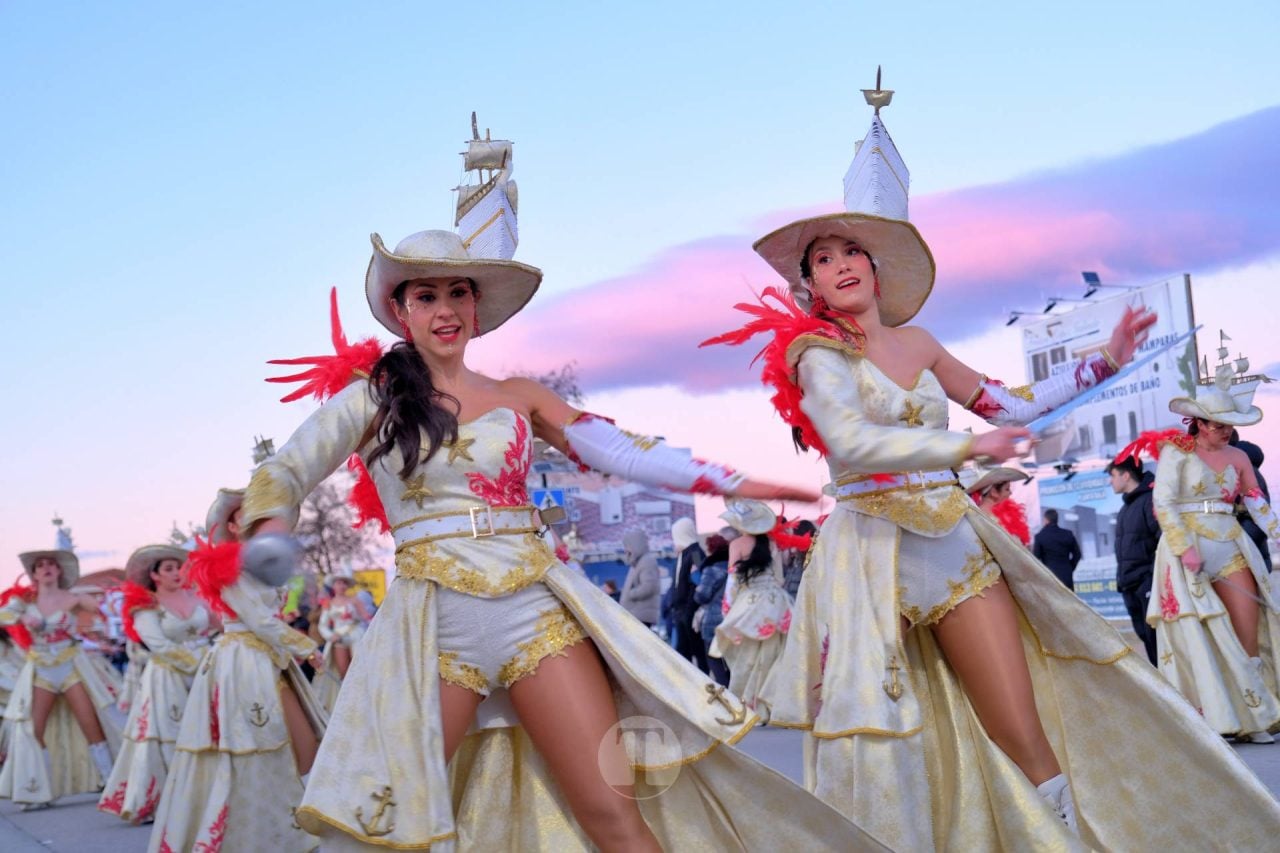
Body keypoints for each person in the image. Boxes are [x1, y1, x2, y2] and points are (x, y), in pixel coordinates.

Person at [704, 89, 1280, 849]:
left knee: (1021, 726)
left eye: (851, 252)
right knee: (874, 744)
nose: (840, 264)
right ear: (809, 283)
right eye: (823, 258)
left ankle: (1063, 839)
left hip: (950, 545)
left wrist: (1104, 361)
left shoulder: (920, 346)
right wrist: (962, 450)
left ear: (877, 268)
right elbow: (851, 443)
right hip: (867, 559)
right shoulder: (815, 354)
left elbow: (1007, 407)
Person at [239, 225, 883, 851]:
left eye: (458, 294)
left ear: (476, 306)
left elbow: (616, 448)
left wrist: (734, 481)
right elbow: (288, 468)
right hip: (432, 626)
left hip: (533, 610)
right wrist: (271, 526)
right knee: (388, 826)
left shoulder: (518, 396)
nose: (445, 310)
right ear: (399, 310)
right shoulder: (372, 399)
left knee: (613, 810)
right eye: (426, 296)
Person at [148, 489, 327, 853]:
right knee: (262, 746)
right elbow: (259, 620)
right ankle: (271, 834)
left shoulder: (262, 565)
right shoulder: (225, 565)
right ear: (231, 524)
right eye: (248, 514)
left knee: (304, 740)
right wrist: (306, 647)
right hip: (244, 662)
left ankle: (298, 825)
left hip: (269, 658)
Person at [1126, 362, 1280, 743]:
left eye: (1228, 424)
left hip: (1229, 543)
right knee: (1198, 634)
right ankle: (1215, 719)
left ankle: (1255, 716)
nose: (1223, 430)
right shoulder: (1175, 453)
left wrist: (1277, 534)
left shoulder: (1240, 458)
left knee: (1248, 629)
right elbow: (1163, 503)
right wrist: (1183, 548)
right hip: (1184, 552)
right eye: (1216, 423)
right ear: (1198, 422)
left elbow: (1257, 503)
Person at [99, 543, 219, 824]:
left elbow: (220, 625)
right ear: (154, 576)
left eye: (178, 567)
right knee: (169, 735)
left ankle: (208, 796)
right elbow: (158, 645)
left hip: (207, 671)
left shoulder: (198, 599)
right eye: (168, 569)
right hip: (168, 677)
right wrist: (195, 663)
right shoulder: (145, 608)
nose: (176, 572)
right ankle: (165, 800)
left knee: (211, 732)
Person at [0, 550, 122, 810]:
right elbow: (3, 615)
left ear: (59, 571)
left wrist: (108, 615)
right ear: (33, 574)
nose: (46, 569)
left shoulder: (73, 598)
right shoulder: (24, 601)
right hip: (41, 668)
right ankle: (40, 787)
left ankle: (110, 780)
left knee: (91, 723)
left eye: (51, 565)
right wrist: (22, 617)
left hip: (71, 665)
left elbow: (108, 611)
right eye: (40, 566)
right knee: (33, 728)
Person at [715, 501, 792, 717]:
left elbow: (733, 581)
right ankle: (770, 707)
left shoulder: (737, 544)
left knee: (746, 659)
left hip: (749, 605)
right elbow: (779, 578)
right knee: (772, 658)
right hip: (777, 603)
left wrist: (728, 611)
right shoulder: (771, 544)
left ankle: (747, 707)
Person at [1107, 455, 1160, 666]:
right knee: (1146, 640)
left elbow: (1162, 540)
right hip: (1129, 586)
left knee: (1158, 642)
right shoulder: (1125, 508)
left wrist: (1151, 580)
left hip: (1147, 585)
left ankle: (1176, 694)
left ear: (1126, 475)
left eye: (1112, 475)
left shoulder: (1150, 501)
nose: (1110, 481)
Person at [312, 570, 370, 713]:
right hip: (338, 638)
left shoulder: (355, 600)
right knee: (343, 671)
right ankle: (348, 704)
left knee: (360, 668)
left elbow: (367, 618)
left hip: (356, 636)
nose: (342, 586)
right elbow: (322, 625)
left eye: (344, 583)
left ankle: (363, 702)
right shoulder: (329, 604)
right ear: (333, 586)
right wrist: (330, 635)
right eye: (338, 583)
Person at [668, 517, 709, 672]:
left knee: (697, 650)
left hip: (690, 610)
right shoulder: (682, 554)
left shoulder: (696, 552)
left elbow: (700, 579)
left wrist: (689, 608)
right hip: (679, 611)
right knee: (682, 651)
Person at [693, 534, 732, 687]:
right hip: (732, 620)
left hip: (713, 623)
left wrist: (696, 579)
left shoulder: (711, 569)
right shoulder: (735, 567)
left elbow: (701, 596)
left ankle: (727, 698)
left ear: (711, 550)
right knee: (731, 663)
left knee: (715, 662)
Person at [1232, 430, 1273, 570]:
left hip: (1249, 558)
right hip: (1250, 555)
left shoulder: (1249, 473)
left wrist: (1236, 545)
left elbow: (1259, 517)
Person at [964, 464, 1032, 546]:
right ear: (994, 492)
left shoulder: (977, 514)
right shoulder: (987, 518)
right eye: (1007, 489)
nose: (1010, 493)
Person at [619, 528, 662, 629]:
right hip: (636, 614)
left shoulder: (647, 562)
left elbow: (649, 587)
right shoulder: (637, 562)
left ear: (635, 545)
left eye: (627, 546)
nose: (626, 550)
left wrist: (630, 594)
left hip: (641, 616)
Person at [1033, 509, 1081, 589]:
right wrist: (1069, 568)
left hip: (1049, 576)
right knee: (1067, 600)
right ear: (1057, 520)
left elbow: (1035, 558)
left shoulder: (1040, 536)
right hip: (1066, 575)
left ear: (1046, 520)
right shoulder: (1068, 534)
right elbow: (1077, 554)